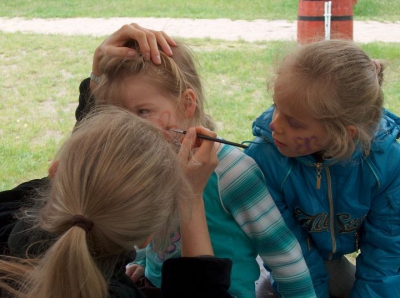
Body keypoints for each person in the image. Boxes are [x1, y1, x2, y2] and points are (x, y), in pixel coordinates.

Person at [75, 24, 316, 298]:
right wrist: (142, 261)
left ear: (187, 103)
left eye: (143, 112)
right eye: (119, 115)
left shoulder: (232, 172)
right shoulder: (143, 165)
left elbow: (283, 253)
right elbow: (148, 228)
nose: (128, 128)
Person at [0, 106, 235, 298]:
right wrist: (191, 197)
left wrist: (96, 77)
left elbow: (87, 171)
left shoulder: (8, 216)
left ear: (55, 172)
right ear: (147, 239)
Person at [244, 39, 400, 298]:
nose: (274, 125)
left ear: (343, 134)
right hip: (300, 262)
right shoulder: (265, 159)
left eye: (294, 122)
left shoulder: (387, 163)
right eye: (276, 107)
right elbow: (287, 250)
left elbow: (387, 250)